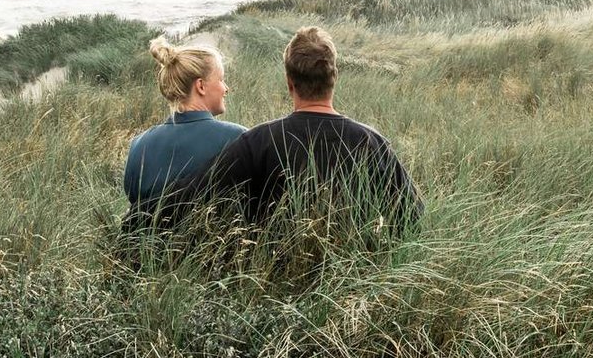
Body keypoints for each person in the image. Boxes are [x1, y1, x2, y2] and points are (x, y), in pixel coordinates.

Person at [146, 26, 421, 232]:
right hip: (352, 278)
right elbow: (412, 214)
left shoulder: (257, 142)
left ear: (289, 82)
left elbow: (190, 196)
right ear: (334, 77)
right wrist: (374, 248)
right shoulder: (371, 142)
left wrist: (136, 218)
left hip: (274, 280)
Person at [122, 36, 246, 208]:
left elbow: (136, 209)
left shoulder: (138, 145)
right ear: (201, 86)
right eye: (221, 79)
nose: (226, 88)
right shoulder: (239, 138)